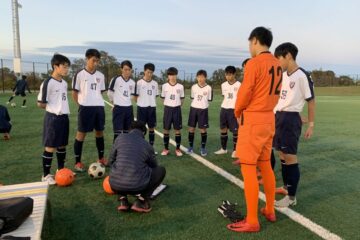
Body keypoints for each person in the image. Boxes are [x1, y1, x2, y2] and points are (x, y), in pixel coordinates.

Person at [227, 27, 282, 233]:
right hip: (269, 118)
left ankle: (252, 220)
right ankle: (269, 209)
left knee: (248, 168)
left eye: (250, 43)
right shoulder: (277, 63)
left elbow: (246, 91)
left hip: (253, 119)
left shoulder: (254, 63)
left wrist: (238, 109)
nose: (249, 47)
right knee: (266, 164)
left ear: (256, 41)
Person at [273, 42, 315, 207]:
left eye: (279, 59)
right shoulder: (283, 75)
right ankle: (285, 187)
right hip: (279, 117)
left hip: (290, 120)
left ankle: (291, 197)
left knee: (290, 157)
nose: (278, 63)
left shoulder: (302, 75)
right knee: (282, 155)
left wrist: (311, 124)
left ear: (288, 56)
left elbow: (311, 101)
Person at [109, 121, 166, 213]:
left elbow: (111, 161)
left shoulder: (120, 138)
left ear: (129, 129)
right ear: (143, 132)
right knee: (161, 170)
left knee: (119, 168)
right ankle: (141, 201)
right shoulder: (147, 145)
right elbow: (154, 166)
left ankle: (123, 199)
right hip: (138, 187)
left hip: (114, 185)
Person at [37, 54, 71, 185]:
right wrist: (53, 108)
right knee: (50, 146)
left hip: (64, 117)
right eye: (64, 66)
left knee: (62, 145)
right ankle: (45, 175)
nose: (66, 69)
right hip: (53, 118)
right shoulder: (48, 82)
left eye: (67, 66)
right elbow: (40, 103)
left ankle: (61, 171)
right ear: (55, 66)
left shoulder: (64, 83)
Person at [72, 49, 107, 172]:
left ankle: (101, 158)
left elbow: (101, 92)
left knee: (99, 132)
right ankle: (77, 162)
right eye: (93, 60)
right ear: (87, 59)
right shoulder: (79, 74)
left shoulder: (101, 76)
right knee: (81, 134)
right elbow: (74, 93)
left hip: (99, 107)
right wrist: (80, 105)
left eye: (97, 61)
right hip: (85, 108)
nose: (96, 63)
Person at [214, 66, 241, 158]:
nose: (228, 77)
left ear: (234, 74)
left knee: (235, 131)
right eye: (226, 75)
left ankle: (235, 150)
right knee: (223, 128)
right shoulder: (223, 85)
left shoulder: (239, 85)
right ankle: (223, 149)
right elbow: (224, 97)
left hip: (234, 110)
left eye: (230, 74)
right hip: (224, 109)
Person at [108, 60, 136, 141]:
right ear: (121, 69)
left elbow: (132, 96)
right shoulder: (116, 79)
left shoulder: (133, 82)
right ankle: (116, 152)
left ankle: (126, 152)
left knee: (128, 133)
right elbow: (110, 93)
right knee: (118, 133)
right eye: (125, 69)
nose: (127, 71)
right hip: (118, 109)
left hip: (129, 109)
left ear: (131, 70)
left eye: (129, 70)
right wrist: (114, 103)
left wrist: (125, 101)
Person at [187, 70, 212, 156]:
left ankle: (203, 148)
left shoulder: (209, 88)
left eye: (202, 77)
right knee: (191, 128)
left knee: (203, 129)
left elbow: (209, 100)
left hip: (203, 110)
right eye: (199, 77)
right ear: (197, 78)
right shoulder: (194, 87)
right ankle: (190, 147)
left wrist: (203, 105)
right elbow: (192, 97)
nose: (200, 79)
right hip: (193, 109)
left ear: (205, 77)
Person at [160, 67, 185, 157]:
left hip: (177, 109)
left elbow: (182, 99)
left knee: (177, 130)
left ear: (176, 75)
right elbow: (162, 98)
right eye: (170, 75)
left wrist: (177, 105)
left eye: (174, 75)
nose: (172, 77)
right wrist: (168, 105)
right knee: (166, 129)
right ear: (168, 76)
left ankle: (177, 149)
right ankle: (166, 149)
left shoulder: (180, 86)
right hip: (167, 109)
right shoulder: (164, 86)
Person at [134, 63, 159, 149]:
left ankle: (151, 148)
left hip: (151, 108)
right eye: (148, 72)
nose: (149, 74)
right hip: (141, 108)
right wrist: (142, 103)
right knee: (141, 129)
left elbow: (155, 96)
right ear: (144, 71)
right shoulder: (139, 83)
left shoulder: (155, 83)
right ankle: (141, 148)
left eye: (151, 72)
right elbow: (135, 97)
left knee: (152, 128)